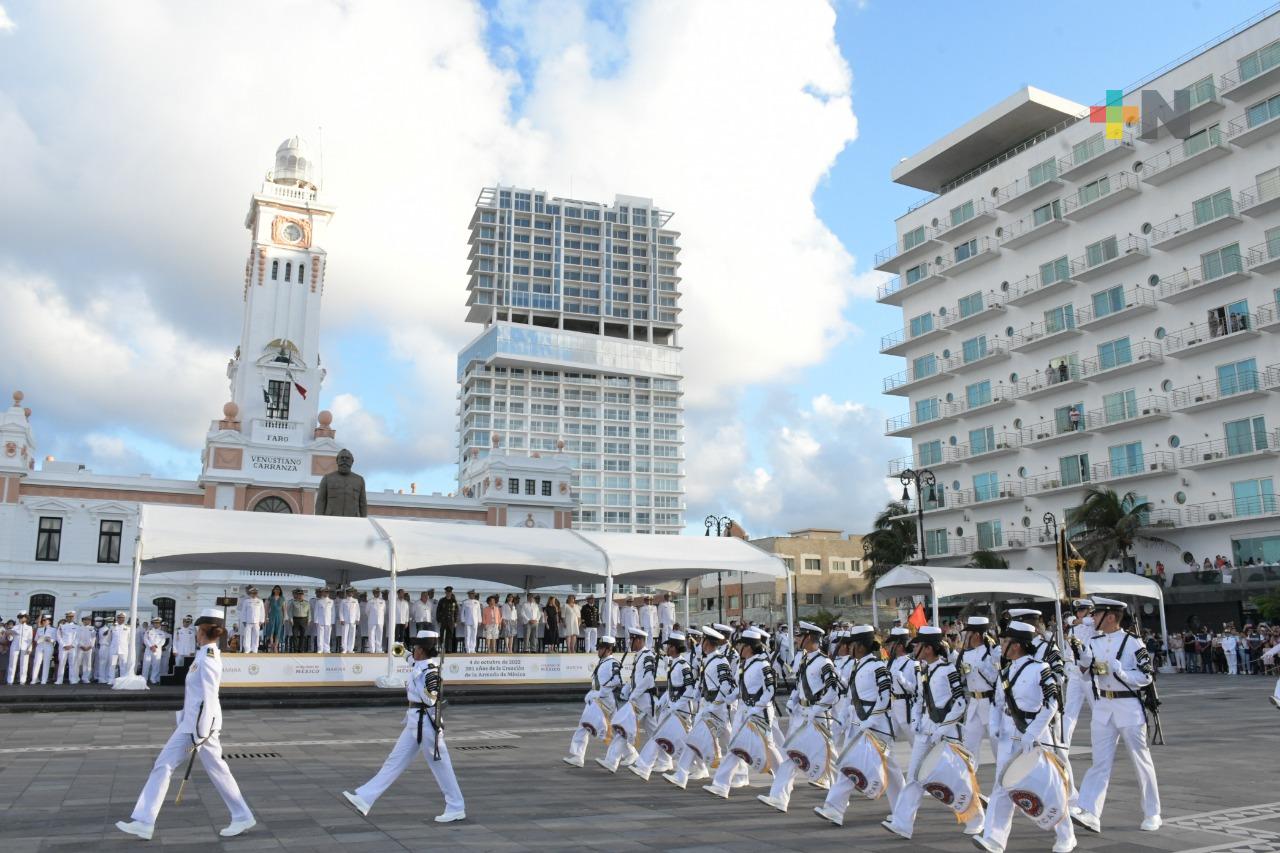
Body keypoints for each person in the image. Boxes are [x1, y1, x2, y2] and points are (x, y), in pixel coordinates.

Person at [115, 609, 256, 841]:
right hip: (190, 724)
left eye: (198, 631)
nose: (196, 635)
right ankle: (144, 821)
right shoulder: (203, 655)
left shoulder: (209, 657)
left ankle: (241, 815)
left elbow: (210, 696)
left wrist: (204, 731)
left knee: (216, 770)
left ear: (203, 631)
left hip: (201, 727)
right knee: (164, 765)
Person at [973, 620, 1077, 853]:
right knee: (1002, 785)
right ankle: (994, 839)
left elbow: (1051, 704)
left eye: (1005, 642)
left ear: (1017, 645)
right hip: (1008, 734)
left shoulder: (1040, 669)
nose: (1001, 646)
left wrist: (1032, 732)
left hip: (1033, 733)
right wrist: (995, 724)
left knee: (1047, 787)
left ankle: (1066, 835)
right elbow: (997, 703)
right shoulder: (1006, 671)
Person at [342, 630, 465, 823]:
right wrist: (402, 651)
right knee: (394, 761)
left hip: (427, 723)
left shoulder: (430, 671)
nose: (413, 650)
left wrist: (429, 686)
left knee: (441, 766)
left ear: (423, 650)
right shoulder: (419, 664)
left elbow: (431, 700)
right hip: (414, 722)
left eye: (416, 647)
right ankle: (365, 797)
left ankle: (456, 806)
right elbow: (410, 659)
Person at [883, 625, 984, 840]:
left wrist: (944, 729)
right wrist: (916, 721)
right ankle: (903, 823)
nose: (915, 648)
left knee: (958, 778)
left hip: (947, 732)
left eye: (918, 645)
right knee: (914, 776)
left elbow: (959, 703)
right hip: (926, 730)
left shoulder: (948, 671)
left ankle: (976, 818)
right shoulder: (924, 671)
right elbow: (919, 699)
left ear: (928, 648)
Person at [1071, 596, 1162, 834]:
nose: (1093, 618)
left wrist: (1123, 673)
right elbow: (1085, 676)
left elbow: (1147, 676)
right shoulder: (1095, 642)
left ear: (1110, 616)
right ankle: (1090, 811)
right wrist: (1083, 663)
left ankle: (1152, 812)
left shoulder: (1133, 643)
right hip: (1103, 707)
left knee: (1140, 761)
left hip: (1128, 706)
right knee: (1099, 763)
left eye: (1097, 614)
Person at [815, 625, 904, 826]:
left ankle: (835, 808)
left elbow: (884, 697)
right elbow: (852, 696)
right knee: (860, 766)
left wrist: (871, 720)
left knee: (881, 770)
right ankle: (836, 809)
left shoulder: (878, 667)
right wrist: (845, 717)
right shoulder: (857, 666)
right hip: (859, 725)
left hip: (877, 727)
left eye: (851, 644)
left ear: (860, 646)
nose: (847, 648)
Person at [759, 621, 838, 813]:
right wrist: (793, 700)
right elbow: (800, 685)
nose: (796, 639)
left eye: (799, 636)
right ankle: (779, 797)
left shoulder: (824, 662)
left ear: (809, 638)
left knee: (831, 758)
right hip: (802, 715)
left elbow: (834, 691)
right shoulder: (804, 660)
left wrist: (817, 709)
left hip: (817, 717)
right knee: (790, 755)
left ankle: (838, 799)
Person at [702, 626, 780, 799]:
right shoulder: (744, 664)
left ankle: (783, 778)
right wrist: (727, 699)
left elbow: (770, 690)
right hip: (744, 711)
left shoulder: (763, 664)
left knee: (768, 746)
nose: (738, 648)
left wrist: (757, 707)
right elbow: (739, 688)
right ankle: (721, 785)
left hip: (760, 712)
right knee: (734, 746)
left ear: (750, 647)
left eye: (741, 645)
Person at [628, 631, 697, 781]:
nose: (666, 649)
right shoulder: (674, 663)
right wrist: (664, 699)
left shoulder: (683, 665)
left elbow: (690, 689)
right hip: (673, 708)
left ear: (675, 648)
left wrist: (677, 705)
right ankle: (645, 766)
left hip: (682, 712)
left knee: (684, 741)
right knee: (662, 736)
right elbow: (672, 687)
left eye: (669, 646)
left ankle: (645, 766)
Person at [598, 627, 658, 772]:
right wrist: (628, 689)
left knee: (623, 727)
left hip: (643, 699)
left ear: (639, 640)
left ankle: (612, 761)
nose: (629, 642)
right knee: (655, 732)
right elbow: (636, 678)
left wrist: (634, 694)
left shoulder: (647, 655)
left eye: (632, 639)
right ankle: (666, 759)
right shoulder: (639, 656)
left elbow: (648, 678)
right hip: (641, 698)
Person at [563, 635, 623, 767]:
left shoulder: (612, 663)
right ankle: (578, 756)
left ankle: (624, 755)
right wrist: (593, 692)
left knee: (601, 730)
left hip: (604, 702)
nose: (598, 651)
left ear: (608, 649)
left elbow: (617, 680)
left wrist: (600, 693)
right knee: (587, 727)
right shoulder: (603, 662)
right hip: (598, 699)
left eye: (601, 648)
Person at [959, 616, 999, 765]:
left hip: (990, 703)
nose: (966, 637)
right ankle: (968, 784)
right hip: (974, 703)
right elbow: (963, 679)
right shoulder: (966, 654)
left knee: (997, 746)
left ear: (976, 635)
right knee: (968, 747)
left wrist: (982, 667)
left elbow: (996, 678)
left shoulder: (992, 653)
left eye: (968, 634)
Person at [1062, 599, 1096, 747]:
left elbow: (1089, 621)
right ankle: (1063, 744)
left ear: (1089, 611)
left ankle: (1101, 744)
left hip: (1092, 672)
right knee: (1069, 711)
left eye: (1082, 610)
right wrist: (1069, 670)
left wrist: (1075, 620)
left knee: (1098, 710)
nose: (1079, 613)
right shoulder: (1073, 629)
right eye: (1078, 611)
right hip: (1076, 672)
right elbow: (1068, 653)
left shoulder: (1094, 625)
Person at [886, 627, 918, 748]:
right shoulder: (891, 663)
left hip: (906, 706)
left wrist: (902, 680)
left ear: (899, 646)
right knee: (886, 741)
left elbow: (916, 689)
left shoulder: (912, 664)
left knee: (915, 742)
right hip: (892, 706)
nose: (888, 648)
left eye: (891, 644)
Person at [237, 587, 265, 654]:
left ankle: (255, 649)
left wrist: (261, 621)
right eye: (253, 593)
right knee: (247, 636)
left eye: (255, 593)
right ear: (250, 593)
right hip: (248, 621)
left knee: (256, 636)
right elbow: (243, 611)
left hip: (257, 622)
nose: (254, 594)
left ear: (257, 593)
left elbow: (262, 612)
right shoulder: (246, 601)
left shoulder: (260, 601)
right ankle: (247, 649)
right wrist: (243, 620)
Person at [54, 610, 79, 685]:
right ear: (66, 617)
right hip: (63, 647)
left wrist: (72, 645)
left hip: (72, 648)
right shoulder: (61, 626)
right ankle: (59, 679)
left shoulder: (77, 626)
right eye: (69, 616)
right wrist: (64, 645)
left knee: (72, 664)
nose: (71, 618)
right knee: (62, 663)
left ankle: (72, 679)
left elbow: (78, 637)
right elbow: (58, 636)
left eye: (72, 616)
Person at [108, 611, 133, 680]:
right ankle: (111, 679)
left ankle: (123, 679)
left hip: (123, 650)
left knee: (123, 665)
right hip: (114, 650)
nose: (121, 619)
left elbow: (130, 640)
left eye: (122, 618)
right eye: (119, 617)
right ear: (117, 618)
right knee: (112, 665)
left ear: (125, 619)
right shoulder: (112, 627)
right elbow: (109, 638)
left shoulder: (128, 628)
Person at [31, 615, 56, 684]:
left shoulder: (53, 629)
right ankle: (34, 679)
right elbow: (36, 639)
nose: (44, 622)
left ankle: (44, 680)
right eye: (43, 620)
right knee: (36, 662)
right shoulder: (39, 629)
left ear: (49, 621)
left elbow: (55, 639)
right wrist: (40, 639)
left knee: (46, 663)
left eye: (46, 620)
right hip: (40, 646)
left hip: (48, 646)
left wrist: (50, 639)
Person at [142, 618, 168, 685]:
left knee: (156, 665)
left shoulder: (162, 633)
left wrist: (155, 646)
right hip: (148, 650)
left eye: (158, 623)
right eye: (155, 623)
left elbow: (163, 641)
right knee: (146, 665)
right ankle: (144, 679)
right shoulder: (148, 631)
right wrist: (151, 646)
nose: (156, 624)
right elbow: (145, 639)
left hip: (157, 650)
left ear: (159, 624)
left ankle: (153, 679)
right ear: (153, 623)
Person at [436, 587, 460, 654]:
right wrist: (439, 620)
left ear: (451, 593)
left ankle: (449, 649)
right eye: (447, 592)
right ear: (445, 593)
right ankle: (442, 648)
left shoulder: (454, 601)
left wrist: (455, 621)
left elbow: (456, 612)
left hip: (451, 621)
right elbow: (438, 611)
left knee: (450, 636)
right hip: (443, 620)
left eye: (449, 592)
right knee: (442, 635)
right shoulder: (442, 600)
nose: (448, 593)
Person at [74, 615, 97, 684]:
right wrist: (81, 645)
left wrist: (90, 646)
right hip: (80, 648)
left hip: (89, 648)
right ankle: (75, 678)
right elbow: (76, 638)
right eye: (85, 620)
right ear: (82, 621)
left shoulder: (92, 628)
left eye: (88, 620)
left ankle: (86, 678)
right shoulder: (79, 628)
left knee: (87, 663)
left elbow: (94, 638)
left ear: (90, 621)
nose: (87, 621)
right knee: (77, 663)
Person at [287, 589, 310, 653]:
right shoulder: (293, 602)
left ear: (303, 595)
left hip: (304, 619)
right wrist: (291, 619)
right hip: (295, 620)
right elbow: (290, 611)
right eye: (299, 594)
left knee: (303, 636)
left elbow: (309, 612)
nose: (300, 596)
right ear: (297, 595)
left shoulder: (307, 603)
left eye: (301, 594)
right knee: (295, 635)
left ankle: (301, 649)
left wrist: (309, 620)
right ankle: (295, 649)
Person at [337, 589, 360, 654]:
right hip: (345, 620)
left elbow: (358, 611)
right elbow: (341, 611)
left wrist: (357, 619)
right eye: (349, 592)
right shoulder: (343, 601)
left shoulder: (355, 601)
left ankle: (350, 649)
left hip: (353, 620)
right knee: (344, 635)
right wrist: (341, 619)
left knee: (352, 635)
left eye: (352, 592)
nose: (351, 593)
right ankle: (344, 649)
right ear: (347, 593)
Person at [365, 589, 387, 655]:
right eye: (375, 592)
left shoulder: (383, 601)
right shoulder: (370, 601)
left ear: (379, 593)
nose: (376, 593)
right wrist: (372, 616)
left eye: (377, 592)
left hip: (380, 620)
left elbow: (384, 611)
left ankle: (378, 649)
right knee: (371, 635)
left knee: (379, 635)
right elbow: (367, 611)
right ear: (373, 593)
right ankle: (372, 649)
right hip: (372, 620)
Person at [312, 588, 334, 654]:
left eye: (327, 592)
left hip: (328, 621)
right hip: (320, 621)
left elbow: (333, 613)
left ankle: (327, 649)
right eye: (324, 592)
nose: (326, 593)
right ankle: (320, 649)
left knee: (327, 636)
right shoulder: (319, 601)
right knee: (320, 635)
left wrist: (332, 621)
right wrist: (316, 621)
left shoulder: (331, 601)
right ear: (322, 592)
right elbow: (316, 612)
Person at [264, 585, 286, 653]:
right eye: (276, 589)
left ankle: (276, 646)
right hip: (271, 616)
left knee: (278, 631)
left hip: (280, 616)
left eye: (278, 589)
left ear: (280, 591)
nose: (277, 590)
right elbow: (266, 609)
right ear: (273, 590)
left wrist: (284, 618)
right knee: (271, 631)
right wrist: (266, 617)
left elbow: (284, 609)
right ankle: (271, 645)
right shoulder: (270, 598)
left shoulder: (282, 598)